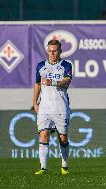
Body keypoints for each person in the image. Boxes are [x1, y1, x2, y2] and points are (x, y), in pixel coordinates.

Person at [33, 39, 72, 175]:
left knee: (63, 138)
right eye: (50, 51)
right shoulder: (40, 66)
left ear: (60, 51)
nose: (52, 53)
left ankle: (65, 166)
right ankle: (43, 168)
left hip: (61, 107)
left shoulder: (66, 65)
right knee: (43, 134)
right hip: (44, 107)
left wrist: (53, 82)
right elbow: (37, 84)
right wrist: (34, 102)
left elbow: (67, 81)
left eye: (55, 51)